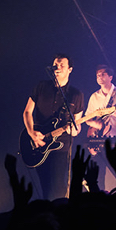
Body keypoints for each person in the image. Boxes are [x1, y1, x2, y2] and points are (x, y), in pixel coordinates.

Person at [22, 54, 84, 200]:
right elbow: (27, 111)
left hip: (60, 147)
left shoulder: (76, 94)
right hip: (38, 143)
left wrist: (74, 130)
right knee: (43, 185)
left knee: (57, 187)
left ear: (70, 69)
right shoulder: (41, 86)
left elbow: (77, 125)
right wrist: (31, 133)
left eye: (62, 65)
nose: (57, 67)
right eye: (56, 64)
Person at [84, 64, 116, 139]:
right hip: (100, 138)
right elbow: (87, 119)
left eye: (103, 74)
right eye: (98, 75)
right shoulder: (94, 96)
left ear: (110, 77)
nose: (100, 77)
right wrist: (96, 125)